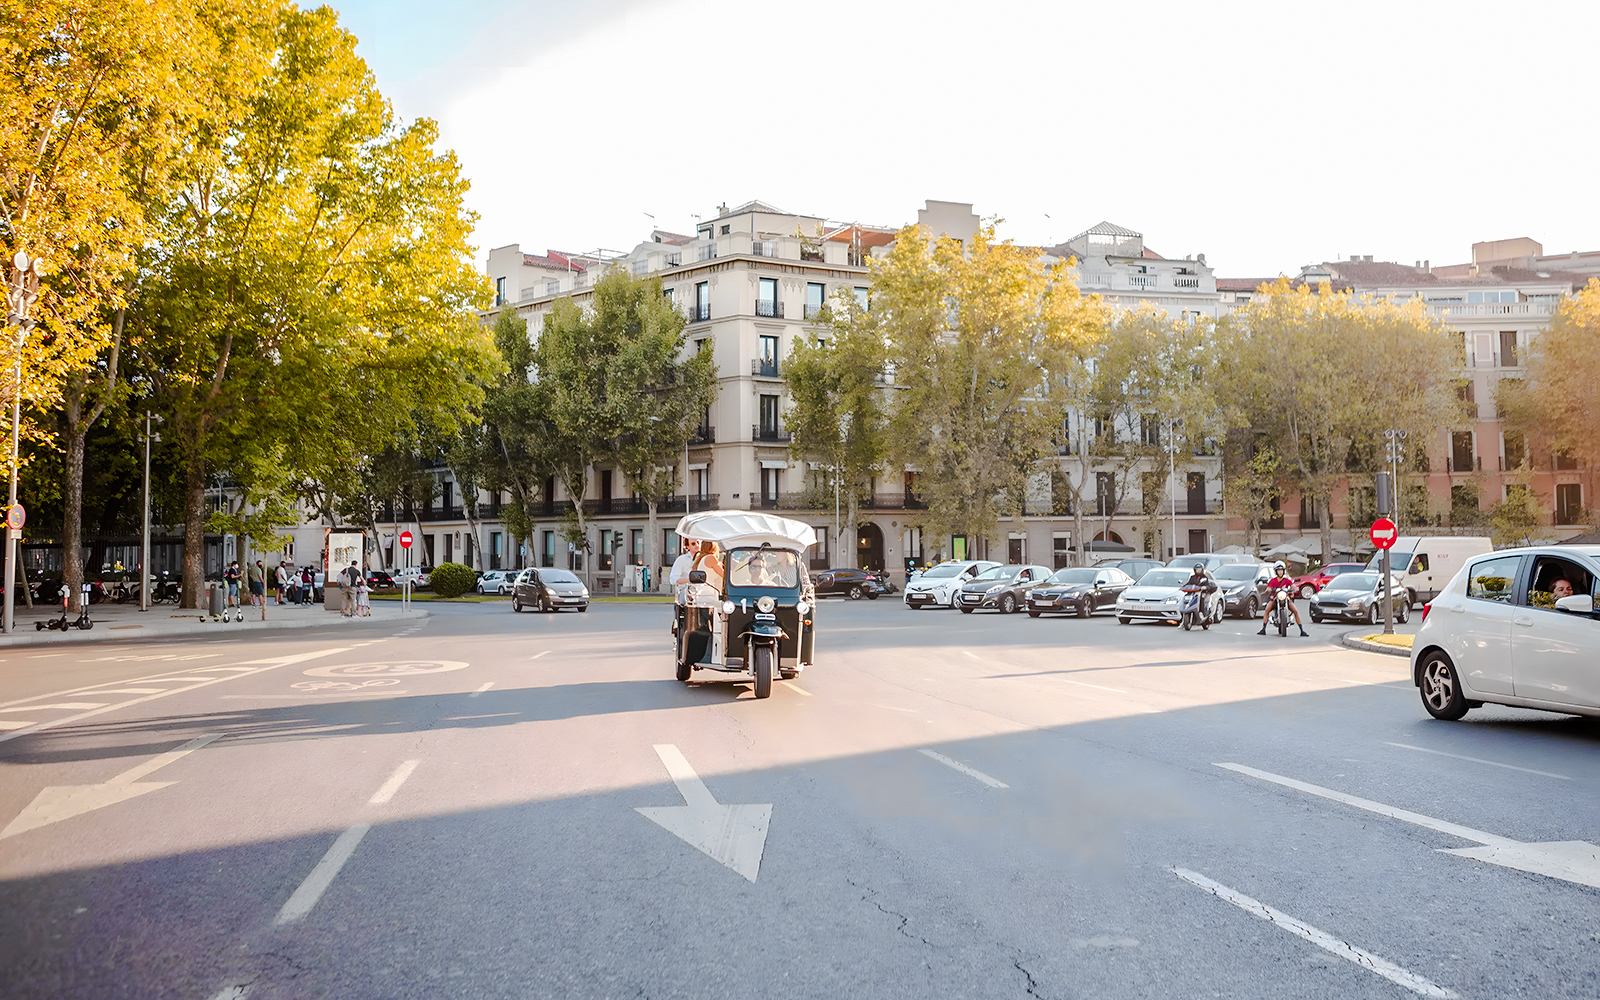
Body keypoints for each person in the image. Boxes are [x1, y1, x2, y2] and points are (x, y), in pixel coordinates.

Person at [1259, 560, 1308, 637]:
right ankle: (1263, 628)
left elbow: (1293, 586)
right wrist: (1269, 590)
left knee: (1295, 611)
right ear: (1276, 571)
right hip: (1275, 598)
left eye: (1281, 570)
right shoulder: (1272, 581)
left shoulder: (1287, 580)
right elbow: (1268, 588)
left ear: (1284, 571)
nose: (1280, 572)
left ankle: (1301, 630)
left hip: (1286, 598)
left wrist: (1295, 589)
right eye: (1278, 571)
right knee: (1267, 609)